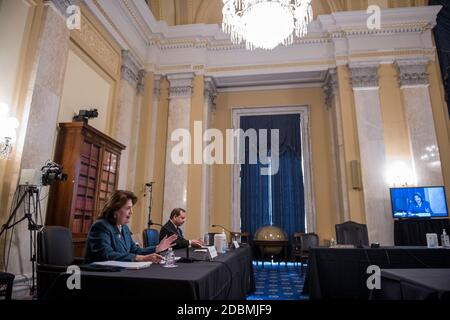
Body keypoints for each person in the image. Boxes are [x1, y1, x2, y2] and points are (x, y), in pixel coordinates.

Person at [84, 190, 177, 263]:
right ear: (115, 210)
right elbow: (106, 254)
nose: (131, 212)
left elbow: (135, 250)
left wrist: (157, 248)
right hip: (98, 277)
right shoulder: (101, 226)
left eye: (131, 208)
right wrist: (139, 258)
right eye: (128, 208)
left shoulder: (124, 228)